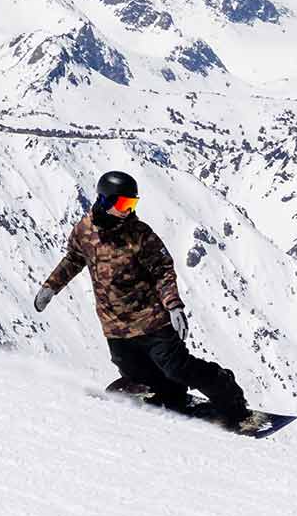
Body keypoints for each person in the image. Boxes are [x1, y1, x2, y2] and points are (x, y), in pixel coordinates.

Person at [33, 170, 258, 431]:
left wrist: (173, 305)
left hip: (152, 321)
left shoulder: (139, 234)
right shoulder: (84, 231)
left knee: (178, 368)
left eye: (132, 204)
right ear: (104, 201)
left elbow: (163, 269)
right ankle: (171, 396)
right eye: (123, 204)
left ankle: (230, 397)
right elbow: (73, 259)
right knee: (136, 376)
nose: (128, 210)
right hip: (115, 325)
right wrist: (51, 287)